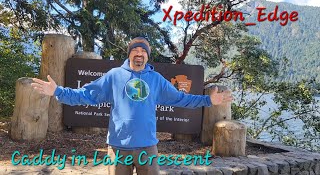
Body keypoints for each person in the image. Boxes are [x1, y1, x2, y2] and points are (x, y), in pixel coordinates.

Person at [31, 37, 233, 175]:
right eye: (135, 50)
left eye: (143, 51)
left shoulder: (156, 80)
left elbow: (181, 99)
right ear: (129, 54)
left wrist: (208, 100)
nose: (139, 53)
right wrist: (57, 92)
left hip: (148, 147)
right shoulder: (114, 76)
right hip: (118, 148)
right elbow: (86, 95)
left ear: (147, 56)